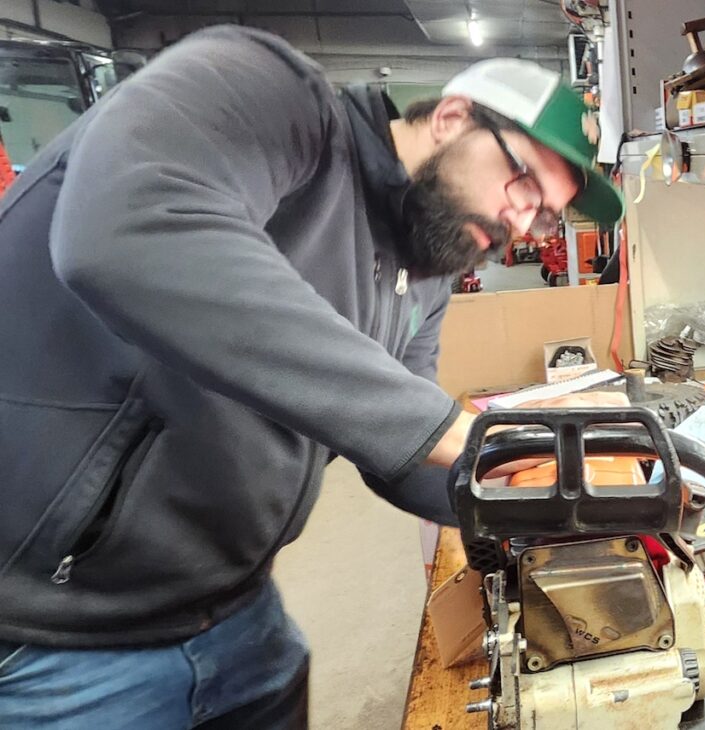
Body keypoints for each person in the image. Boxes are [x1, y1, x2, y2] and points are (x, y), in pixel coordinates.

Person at [0, 24, 625, 730]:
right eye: (522, 180)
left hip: (237, 611)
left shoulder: (427, 264)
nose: (524, 219)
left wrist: (540, 496)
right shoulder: (273, 97)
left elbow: (399, 450)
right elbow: (122, 229)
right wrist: (451, 430)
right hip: (54, 643)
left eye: (543, 210)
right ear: (452, 116)